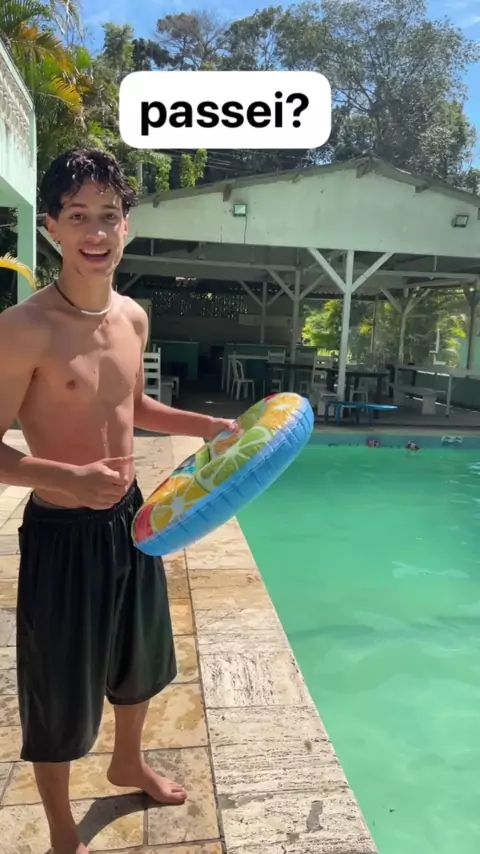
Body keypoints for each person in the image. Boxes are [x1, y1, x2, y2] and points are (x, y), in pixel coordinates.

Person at [0, 147, 238, 854]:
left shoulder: (133, 317)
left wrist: (205, 426)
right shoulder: (23, 329)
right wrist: (65, 478)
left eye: (109, 215)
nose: (96, 232)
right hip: (61, 531)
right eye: (78, 217)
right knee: (56, 685)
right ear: (50, 227)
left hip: (132, 518)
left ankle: (128, 761)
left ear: (127, 224)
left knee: (141, 656)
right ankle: (61, 831)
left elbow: (132, 406)